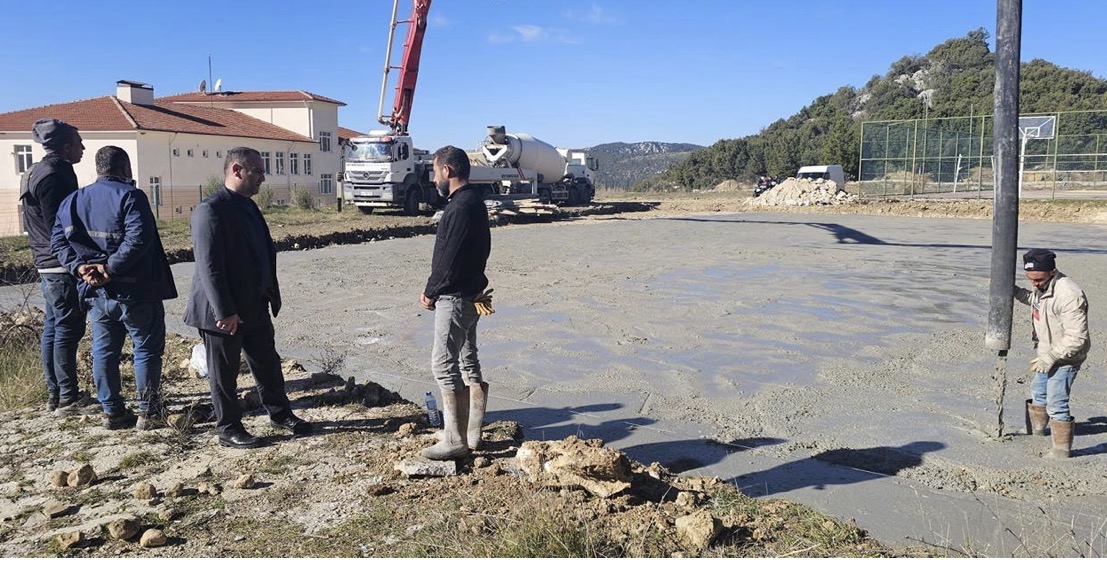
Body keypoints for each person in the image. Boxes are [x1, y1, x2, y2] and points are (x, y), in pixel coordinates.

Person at [183, 147, 312, 449]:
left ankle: (280, 414)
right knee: (224, 374)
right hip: (222, 313)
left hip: (254, 305)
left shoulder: (249, 207)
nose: (263, 177)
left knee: (268, 364)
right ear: (236, 170)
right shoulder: (210, 210)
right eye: (257, 171)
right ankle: (228, 428)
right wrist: (224, 311)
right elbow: (209, 267)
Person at [51, 147, 177, 430]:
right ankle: (149, 412)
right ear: (125, 168)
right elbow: (138, 238)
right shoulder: (131, 196)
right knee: (146, 349)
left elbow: (57, 242)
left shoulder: (72, 201)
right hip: (136, 291)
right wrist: (110, 269)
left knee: (104, 351)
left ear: (98, 168)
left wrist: (80, 268)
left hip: (96, 292)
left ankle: (113, 412)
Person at [419, 145, 492, 460]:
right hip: (474, 294)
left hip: (457, 296)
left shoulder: (460, 207)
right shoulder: (473, 201)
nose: (433, 178)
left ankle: (454, 439)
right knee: (467, 359)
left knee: (443, 364)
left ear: (447, 170)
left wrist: (431, 290)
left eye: (435, 171)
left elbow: (449, 257)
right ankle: (471, 432)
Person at [19, 118, 95, 416]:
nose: (83, 148)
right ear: (64, 147)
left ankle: (57, 394)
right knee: (67, 328)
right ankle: (67, 398)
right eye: (78, 143)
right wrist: (79, 262)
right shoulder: (55, 176)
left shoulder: (35, 171)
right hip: (60, 264)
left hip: (47, 261)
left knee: (54, 325)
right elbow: (60, 226)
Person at [1014, 249, 1090, 459]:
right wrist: (1015, 292)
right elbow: (1035, 300)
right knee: (1038, 392)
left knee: (1057, 402)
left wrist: (1050, 357)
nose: (1034, 284)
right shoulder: (1042, 285)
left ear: (1053, 272)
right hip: (1046, 352)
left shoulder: (1070, 295)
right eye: (1030, 279)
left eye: (1038, 280)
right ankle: (1036, 431)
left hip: (1066, 357)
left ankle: (1061, 451)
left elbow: (1077, 338)